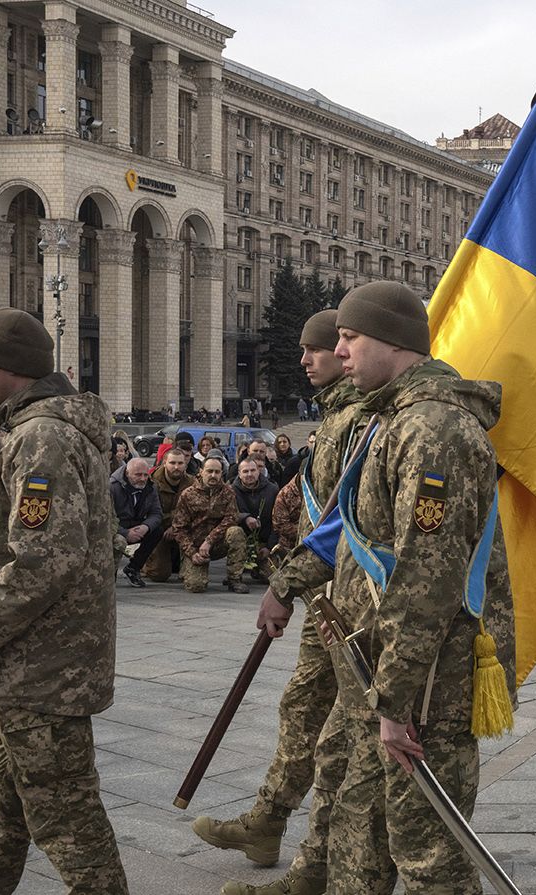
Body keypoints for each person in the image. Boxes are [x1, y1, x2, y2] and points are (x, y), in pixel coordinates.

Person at [259, 281, 515, 892]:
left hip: (427, 680)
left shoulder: (433, 431)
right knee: (362, 824)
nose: (338, 351)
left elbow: (427, 579)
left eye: (349, 337)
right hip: (384, 667)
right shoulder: (395, 419)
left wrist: (395, 699)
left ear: (393, 341)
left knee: (426, 850)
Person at [0, 307, 128, 894]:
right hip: (31, 664)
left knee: (64, 813)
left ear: (9, 368)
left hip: (43, 667)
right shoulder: (31, 430)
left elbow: (42, 563)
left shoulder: (42, 439)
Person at [203, 309, 365, 895]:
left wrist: (287, 582)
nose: (306, 359)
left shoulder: (356, 420)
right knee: (305, 715)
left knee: (338, 740)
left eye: (317, 349)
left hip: (350, 599)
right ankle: (271, 825)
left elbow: (348, 519)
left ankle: (310, 862)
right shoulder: (338, 417)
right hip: (328, 594)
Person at [169, 456, 246, 594]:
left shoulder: (228, 492)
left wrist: (210, 540)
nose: (213, 475)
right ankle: (187, 568)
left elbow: (231, 518)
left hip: (217, 543)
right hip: (195, 547)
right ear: (201, 471)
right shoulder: (188, 495)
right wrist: (192, 552)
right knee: (196, 586)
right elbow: (179, 529)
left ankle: (234, 579)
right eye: (209, 471)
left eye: (217, 472)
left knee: (236, 532)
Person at [142, 446, 195, 582]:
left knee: (188, 576)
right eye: (172, 463)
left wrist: (176, 526)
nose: (176, 467)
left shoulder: (193, 484)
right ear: (164, 463)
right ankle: (144, 559)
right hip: (160, 530)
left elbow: (196, 511)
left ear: (185, 464)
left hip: (184, 530)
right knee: (159, 575)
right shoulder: (151, 483)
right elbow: (150, 513)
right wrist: (171, 524)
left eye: (180, 463)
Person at [110, 457, 163, 588]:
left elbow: (156, 513)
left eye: (146, 475)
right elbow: (106, 518)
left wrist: (146, 527)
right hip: (115, 528)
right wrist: (125, 532)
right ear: (127, 474)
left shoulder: (150, 487)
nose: (143, 479)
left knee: (157, 530)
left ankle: (133, 568)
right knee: (119, 541)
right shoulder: (112, 487)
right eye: (138, 475)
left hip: (136, 524)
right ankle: (110, 573)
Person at [232, 458, 280, 584]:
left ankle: (258, 569)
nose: (249, 474)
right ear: (239, 473)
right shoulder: (230, 490)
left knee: (272, 578)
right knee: (233, 531)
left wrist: (269, 547)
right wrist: (245, 517)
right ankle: (234, 576)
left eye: (253, 470)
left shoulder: (273, 490)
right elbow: (227, 516)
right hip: (242, 541)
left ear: (259, 471)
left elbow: (278, 520)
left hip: (264, 541)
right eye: (245, 471)